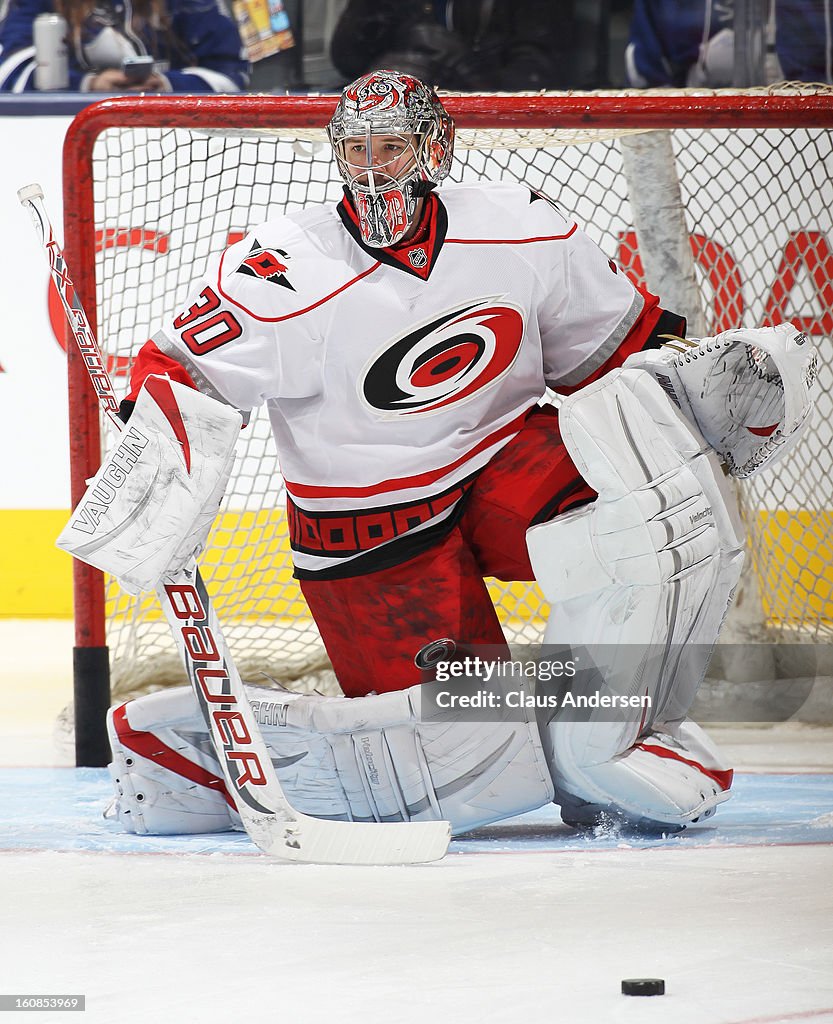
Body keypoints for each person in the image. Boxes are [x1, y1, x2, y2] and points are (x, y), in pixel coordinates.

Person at [60, 70, 816, 842]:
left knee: (654, 497)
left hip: (502, 466)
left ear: (435, 148)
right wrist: (159, 462)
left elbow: (619, 357)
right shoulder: (283, 267)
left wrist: (703, 391)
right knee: (470, 751)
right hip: (365, 526)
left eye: (390, 147)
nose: (370, 168)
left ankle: (613, 730)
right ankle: (186, 762)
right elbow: (177, 370)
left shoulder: (519, 226)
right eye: (354, 149)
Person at [0, 0, 249, 92]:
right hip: (63, 134)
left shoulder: (191, 4)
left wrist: (163, 84)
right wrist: (90, 85)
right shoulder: (34, 4)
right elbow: (9, 71)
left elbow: (230, 75)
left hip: (175, 134)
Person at [329, 0, 576, 91]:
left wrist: (465, 71)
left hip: (486, 130)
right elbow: (347, 59)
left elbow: (541, 74)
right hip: (390, 121)